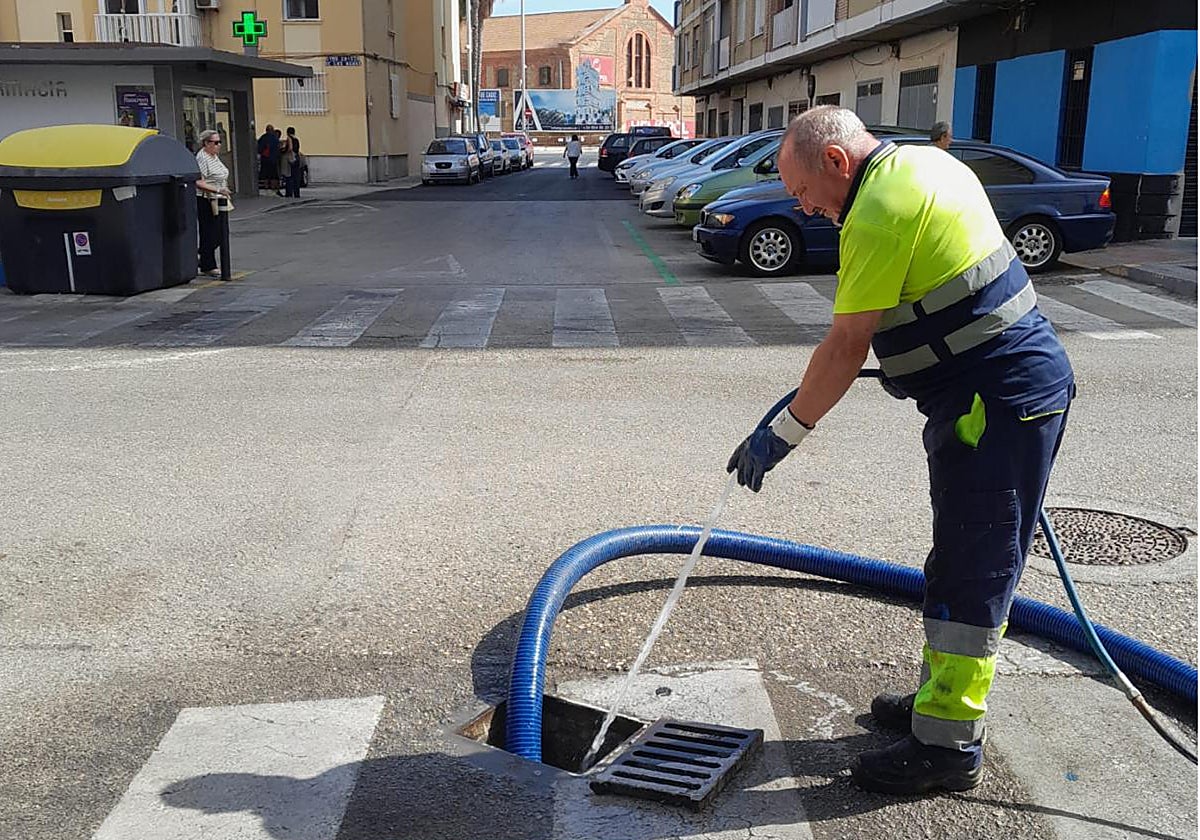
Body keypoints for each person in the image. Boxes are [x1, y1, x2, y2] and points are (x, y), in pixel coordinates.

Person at [726, 106, 1074, 795]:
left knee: (974, 567)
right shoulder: (924, 163)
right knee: (958, 558)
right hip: (999, 391)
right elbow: (938, 297)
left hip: (995, 400)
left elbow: (847, 343)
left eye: (802, 193)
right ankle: (938, 707)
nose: (807, 209)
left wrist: (784, 433)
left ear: (835, 162)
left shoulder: (876, 209)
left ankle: (947, 750)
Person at [194, 129, 233, 279]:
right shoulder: (202, 158)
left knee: (221, 232)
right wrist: (218, 189)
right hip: (206, 199)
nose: (219, 145)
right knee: (210, 232)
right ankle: (207, 263)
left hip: (219, 198)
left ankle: (204, 258)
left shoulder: (214, 157)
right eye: (216, 142)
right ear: (206, 143)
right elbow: (199, 181)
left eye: (220, 142)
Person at [257, 124, 280, 194]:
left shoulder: (263, 137)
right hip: (273, 159)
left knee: (265, 174)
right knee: (274, 174)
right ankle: (274, 188)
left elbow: (259, 148)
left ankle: (266, 186)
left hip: (265, 158)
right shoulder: (275, 138)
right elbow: (278, 149)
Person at [280, 131, 300, 198]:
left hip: (290, 159)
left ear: (287, 132)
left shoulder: (289, 138)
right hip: (296, 158)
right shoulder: (296, 139)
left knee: (289, 176)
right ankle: (297, 193)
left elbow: (290, 148)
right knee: (296, 177)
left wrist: (283, 150)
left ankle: (289, 193)